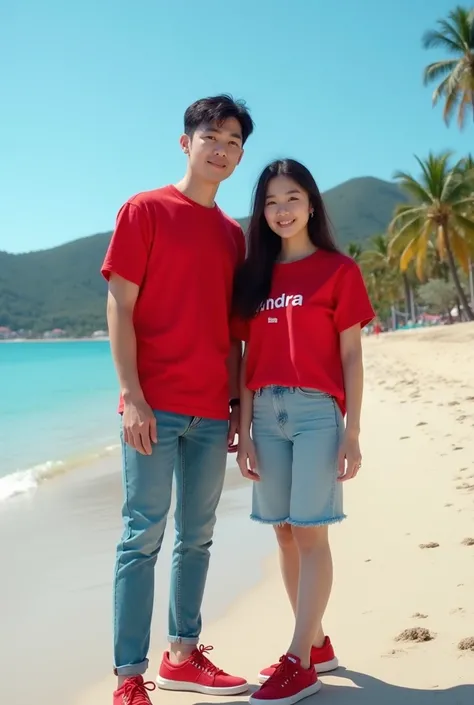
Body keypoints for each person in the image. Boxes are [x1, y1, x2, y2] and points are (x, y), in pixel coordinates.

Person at [101, 94, 254, 705]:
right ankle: (129, 677)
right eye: (211, 136)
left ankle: (183, 655)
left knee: (199, 535)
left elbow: (233, 330)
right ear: (186, 142)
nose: (222, 148)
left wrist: (238, 405)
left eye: (234, 141)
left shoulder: (232, 236)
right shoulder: (145, 210)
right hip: (153, 407)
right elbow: (120, 306)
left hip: (212, 411)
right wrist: (131, 395)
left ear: (241, 157)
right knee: (142, 535)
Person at [233, 159, 375, 704]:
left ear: (311, 204)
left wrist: (353, 430)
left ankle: (297, 662)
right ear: (262, 212)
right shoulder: (255, 277)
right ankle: (314, 644)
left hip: (318, 413)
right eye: (271, 201)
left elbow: (352, 357)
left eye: (292, 197)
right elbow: (245, 359)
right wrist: (244, 430)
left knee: (311, 531)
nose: (282, 209)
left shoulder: (339, 271)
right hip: (265, 414)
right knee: (283, 531)